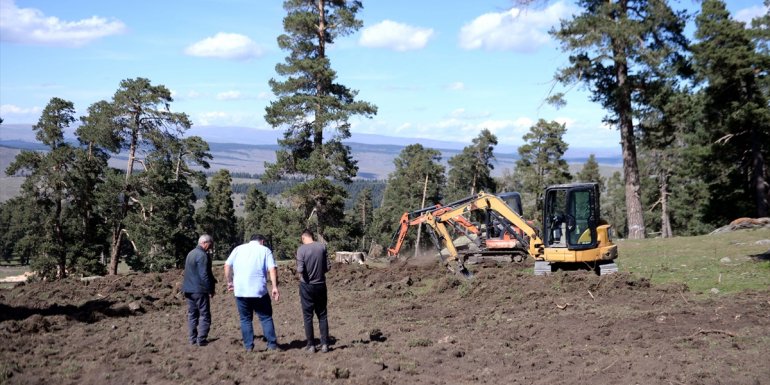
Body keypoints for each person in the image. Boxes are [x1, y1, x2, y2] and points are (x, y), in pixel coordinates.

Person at [224, 234, 280, 352]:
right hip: (258, 290)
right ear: (262, 241)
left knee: (245, 319)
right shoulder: (265, 250)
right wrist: (274, 286)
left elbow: (227, 265)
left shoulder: (238, 249)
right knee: (265, 318)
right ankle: (272, 345)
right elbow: (272, 269)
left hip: (241, 291)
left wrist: (229, 282)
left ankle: (249, 346)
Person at [296, 229, 331, 353]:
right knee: (322, 315)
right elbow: (327, 267)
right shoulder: (322, 247)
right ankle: (325, 344)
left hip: (307, 286)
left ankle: (311, 345)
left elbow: (300, 269)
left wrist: (302, 276)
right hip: (321, 284)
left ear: (304, 237)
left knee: (307, 316)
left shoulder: (301, 250)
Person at [182, 234, 216, 346]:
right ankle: (201, 339)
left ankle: (192, 339)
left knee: (192, 314)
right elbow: (204, 275)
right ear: (205, 243)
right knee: (204, 315)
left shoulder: (190, 254)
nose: (211, 246)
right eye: (210, 244)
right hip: (199, 290)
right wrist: (210, 289)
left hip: (188, 289)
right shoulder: (202, 256)